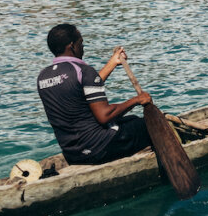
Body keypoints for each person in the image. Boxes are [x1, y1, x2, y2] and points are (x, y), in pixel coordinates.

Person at [37, 24, 153, 165]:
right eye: (81, 43)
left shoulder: (43, 77)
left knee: (131, 120)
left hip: (72, 154)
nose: (83, 47)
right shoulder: (84, 70)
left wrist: (112, 63)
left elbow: (82, 88)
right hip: (100, 148)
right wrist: (137, 100)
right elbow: (104, 116)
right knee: (145, 124)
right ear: (72, 46)